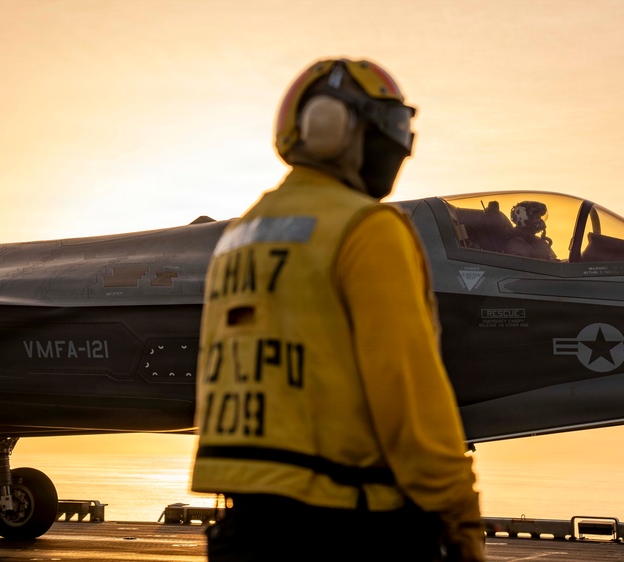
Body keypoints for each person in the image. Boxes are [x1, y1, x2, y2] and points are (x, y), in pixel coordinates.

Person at [190, 57, 484, 562]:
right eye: (387, 125)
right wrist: (459, 511)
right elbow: (408, 391)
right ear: (330, 126)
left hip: (244, 528)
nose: (397, 144)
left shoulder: (238, 237)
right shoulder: (366, 229)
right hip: (348, 524)